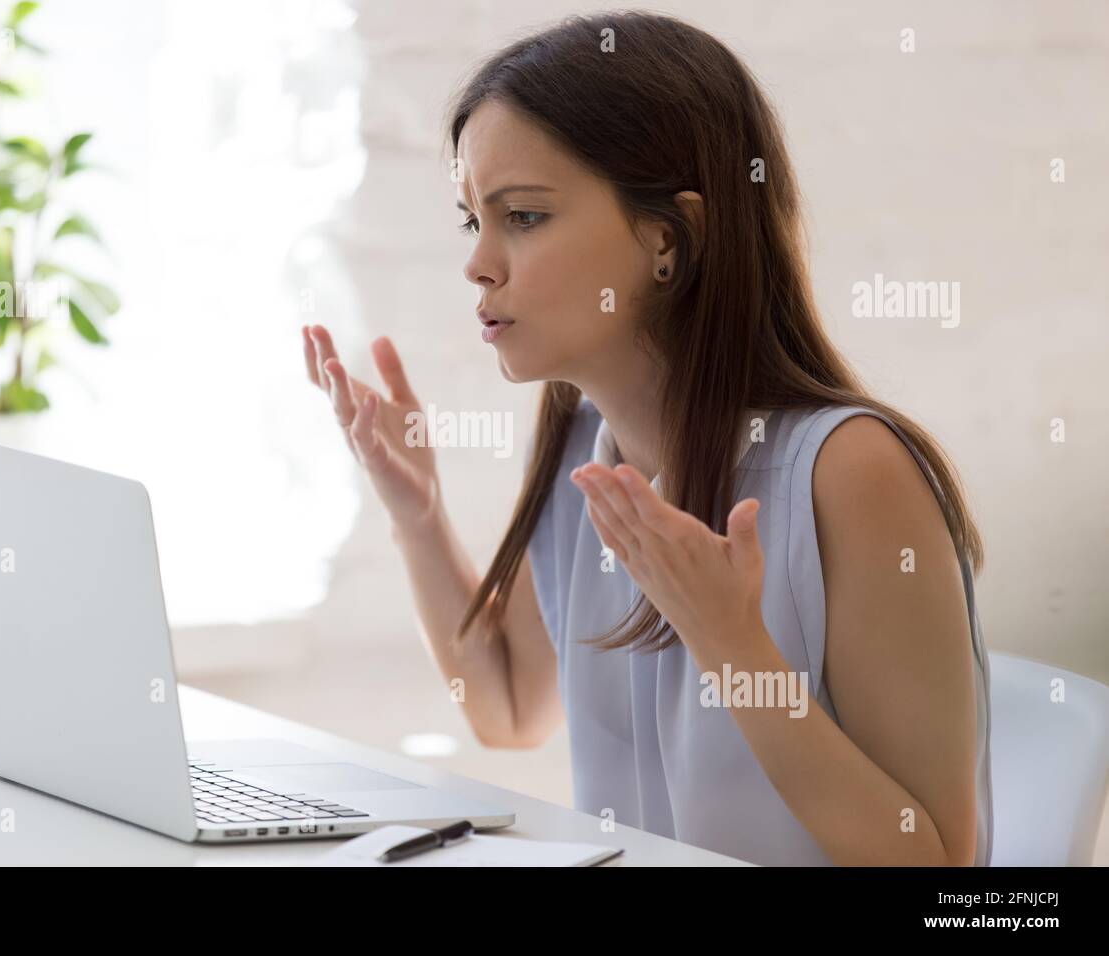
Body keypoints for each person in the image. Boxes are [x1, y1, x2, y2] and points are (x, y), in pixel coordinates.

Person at [300, 11, 991, 867]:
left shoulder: (851, 472)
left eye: (522, 216)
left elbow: (939, 868)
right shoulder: (581, 450)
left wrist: (734, 648)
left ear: (668, 238)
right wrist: (418, 517)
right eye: (469, 220)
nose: (478, 262)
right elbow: (506, 707)